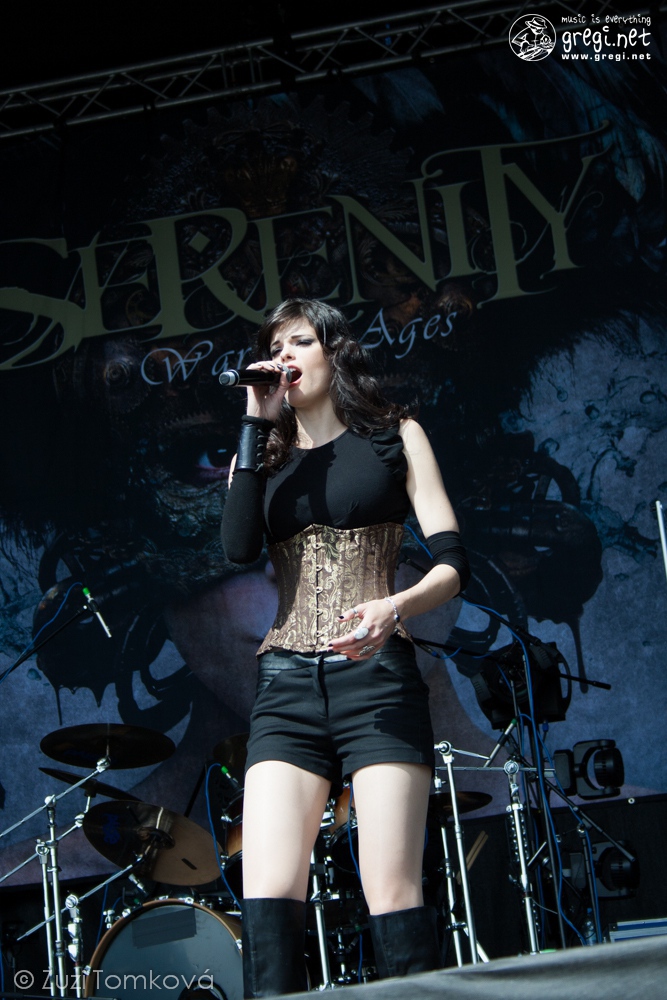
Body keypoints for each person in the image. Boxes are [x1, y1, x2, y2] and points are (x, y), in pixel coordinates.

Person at [221, 298, 469, 997]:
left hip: (377, 682)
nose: (285, 356)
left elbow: (453, 564)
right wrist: (255, 421)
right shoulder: (262, 457)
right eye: (275, 346)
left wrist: (396, 606)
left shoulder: (396, 434)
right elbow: (237, 549)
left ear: (333, 350)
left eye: (299, 341)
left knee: (390, 890)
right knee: (268, 893)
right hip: (286, 686)